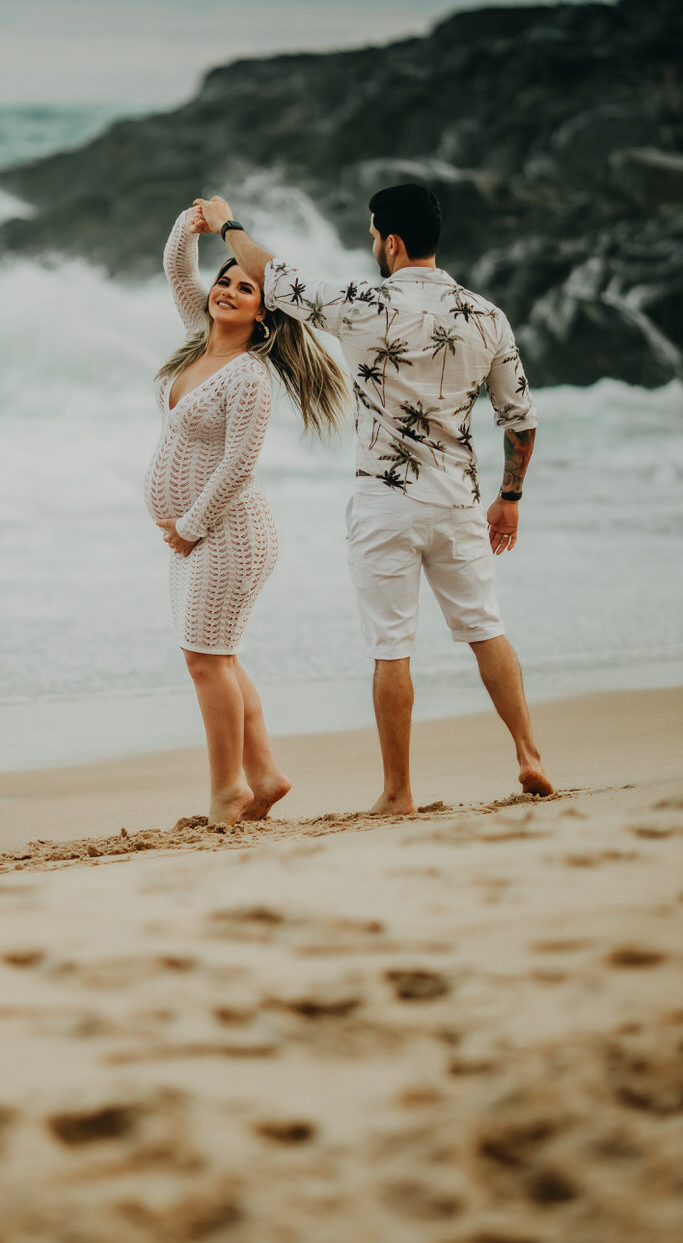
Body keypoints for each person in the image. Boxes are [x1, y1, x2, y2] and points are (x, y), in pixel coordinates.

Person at [196, 185, 554, 813]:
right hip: (458, 501)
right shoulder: (487, 316)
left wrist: (228, 225)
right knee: (485, 629)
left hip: (383, 505)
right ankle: (529, 754)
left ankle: (398, 792)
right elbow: (519, 419)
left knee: (392, 647)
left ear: (390, 241)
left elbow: (268, 273)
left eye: (371, 237)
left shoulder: (361, 302)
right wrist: (510, 498)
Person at [146, 205, 349, 825]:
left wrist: (189, 527)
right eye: (225, 281)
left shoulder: (250, 375)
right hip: (202, 538)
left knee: (207, 661)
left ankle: (227, 789)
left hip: (230, 535)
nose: (228, 291)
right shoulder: (195, 340)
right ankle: (263, 775)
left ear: (264, 311)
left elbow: (239, 467)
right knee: (218, 658)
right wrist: (192, 222)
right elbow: (178, 270)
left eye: (245, 287)